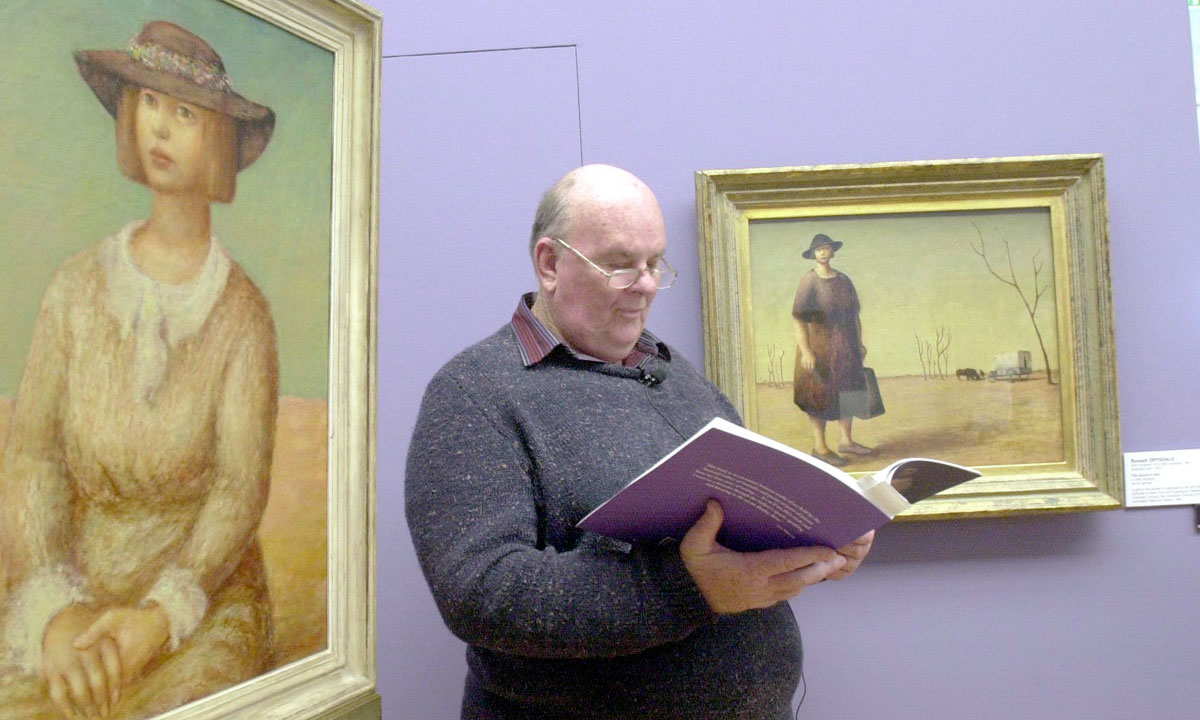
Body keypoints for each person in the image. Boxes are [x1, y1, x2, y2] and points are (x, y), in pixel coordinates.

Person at [406, 164, 874, 719]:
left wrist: (818, 536)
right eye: (621, 265)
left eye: (654, 262)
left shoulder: (677, 376)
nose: (648, 284)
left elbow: (737, 528)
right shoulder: (473, 392)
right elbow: (481, 592)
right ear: (550, 263)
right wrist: (690, 587)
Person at [0, 21, 279, 720]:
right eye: (149, 102)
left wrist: (157, 618)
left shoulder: (243, 315)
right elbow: (33, 458)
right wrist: (57, 616)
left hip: (199, 596)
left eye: (184, 112)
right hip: (76, 587)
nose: (160, 126)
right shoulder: (73, 288)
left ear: (217, 136)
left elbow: (239, 492)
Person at [791, 233, 875, 467]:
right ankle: (820, 447)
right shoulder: (809, 281)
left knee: (848, 392)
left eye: (826, 248)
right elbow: (798, 319)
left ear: (832, 252)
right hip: (819, 348)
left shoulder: (844, 280)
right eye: (818, 249)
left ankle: (846, 441)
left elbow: (854, 315)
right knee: (818, 394)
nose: (823, 252)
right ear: (813, 254)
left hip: (845, 346)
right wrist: (806, 351)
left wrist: (858, 343)